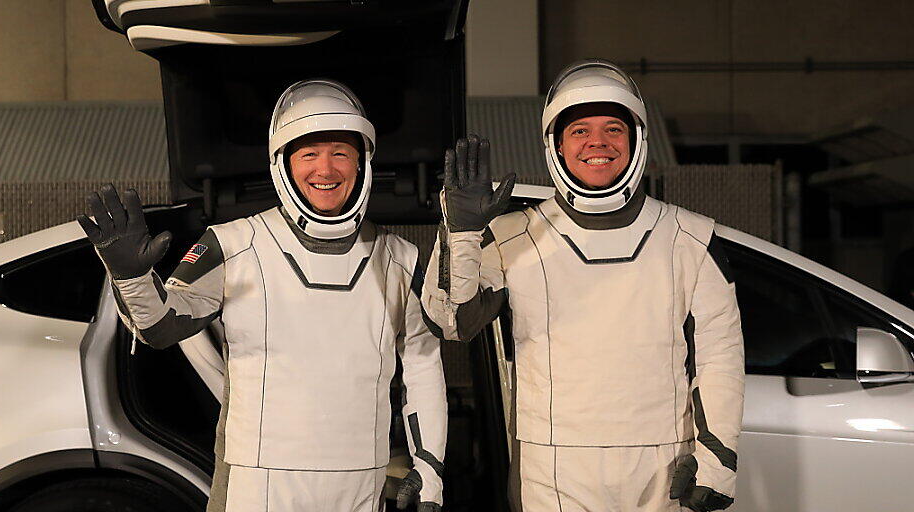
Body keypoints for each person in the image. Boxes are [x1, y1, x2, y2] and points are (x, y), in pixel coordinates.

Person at [78, 79, 446, 512]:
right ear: (283, 164)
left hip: (362, 480)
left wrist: (430, 468)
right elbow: (160, 328)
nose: (325, 171)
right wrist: (132, 278)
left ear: (364, 162)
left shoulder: (400, 259)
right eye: (308, 155)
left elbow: (423, 366)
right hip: (257, 481)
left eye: (340, 154)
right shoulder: (233, 245)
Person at [421, 59, 744, 512]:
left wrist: (717, 463)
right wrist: (461, 233)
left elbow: (721, 357)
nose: (598, 143)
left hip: (663, 469)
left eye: (614, 129)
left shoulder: (689, 239)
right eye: (579, 131)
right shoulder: (513, 235)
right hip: (551, 471)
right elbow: (451, 322)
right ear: (554, 144)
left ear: (636, 140)